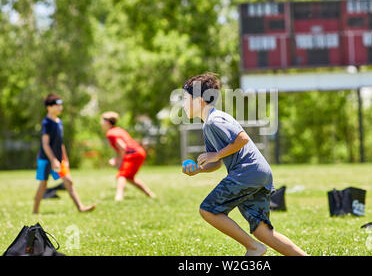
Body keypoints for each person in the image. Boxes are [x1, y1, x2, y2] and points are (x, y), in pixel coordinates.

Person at [181, 73, 308, 256]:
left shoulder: (215, 120)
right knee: (261, 230)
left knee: (207, 209)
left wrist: (216, 154)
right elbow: (216, 162)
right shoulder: (208, 124)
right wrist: (199, 169)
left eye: (185, 99)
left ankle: (253, 247)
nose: (183, 104)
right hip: (258, 173)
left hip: (247, 173)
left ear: (200, 100)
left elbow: (242, 138)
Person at [33, 94, 96, 214]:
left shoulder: (59, 122)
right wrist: (53, 159)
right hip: (46, 159)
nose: (60, 107)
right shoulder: (46, 123)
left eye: (61, 105)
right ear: (49, 107)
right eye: (57, 105)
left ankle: (81, 208)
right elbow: (45, 144)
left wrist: (64, 158)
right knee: (43, 184)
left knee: (69, 181)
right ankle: (35, 211)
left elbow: (60, 142)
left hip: (58, 159)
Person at [101, 111, 156, 201]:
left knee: (121, 175)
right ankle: (149, 194)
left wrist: (120, 159)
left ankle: (119, 197)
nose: (101, 123)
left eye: (102, 121)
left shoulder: (110, 133)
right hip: (139, 152)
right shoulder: (118, 129)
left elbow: (122, 146)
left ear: (107, 122)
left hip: (132, 153)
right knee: (129, 177)